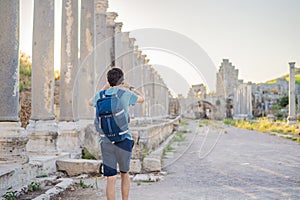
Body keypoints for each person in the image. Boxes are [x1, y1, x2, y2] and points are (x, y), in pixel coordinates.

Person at [90, 67, 144, 200]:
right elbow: (142, 99)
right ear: (121, 81)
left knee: (111, 178)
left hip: (106, 141)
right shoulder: (124, 94)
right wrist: (130, 87)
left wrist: (105, 87)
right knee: (125, 174)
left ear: (108, 81)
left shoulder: (100, 96)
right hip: (124, 138)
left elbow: (90, 102)